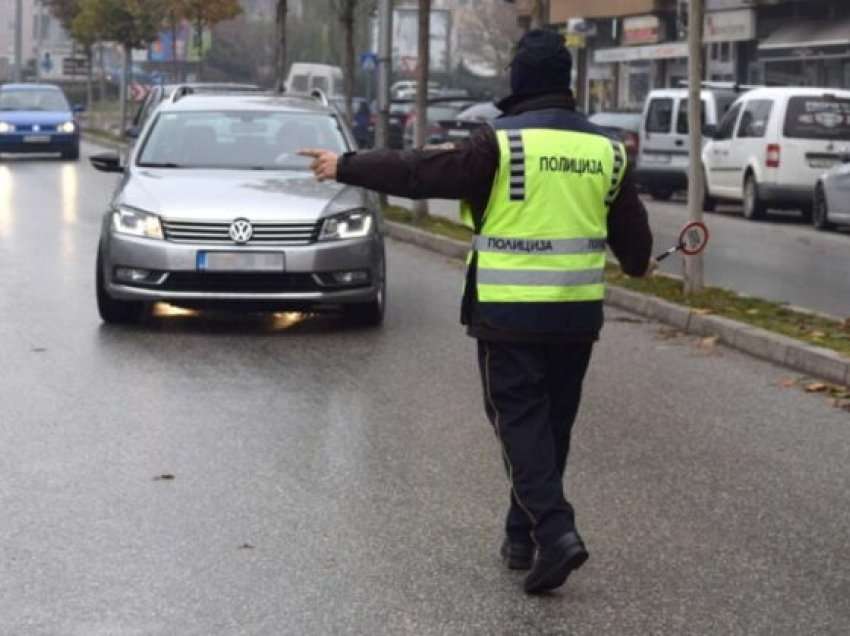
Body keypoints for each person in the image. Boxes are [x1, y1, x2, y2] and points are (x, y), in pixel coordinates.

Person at [300, 29, 654, 595]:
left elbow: (420, 171)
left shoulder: (501, 142)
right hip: (576, 317)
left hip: (510, 312)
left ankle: (556, 532)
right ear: (565, 81)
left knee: (520, 427)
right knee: (550, 429)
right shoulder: (607, 150)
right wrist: (644, 262)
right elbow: (635, 254)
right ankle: (522, 539)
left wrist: (345, 165)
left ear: (518, 78)